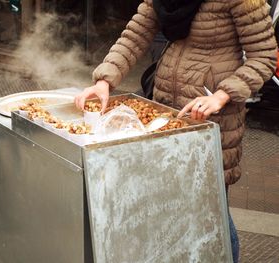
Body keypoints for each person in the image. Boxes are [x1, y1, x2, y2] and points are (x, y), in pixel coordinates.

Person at [74, 0, 277, 262]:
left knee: (212, 210)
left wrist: (223, 94)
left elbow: (265, 55)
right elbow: (136, 34)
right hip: (165, 111)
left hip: (210, 116)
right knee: (170, 203)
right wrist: (105, 80)